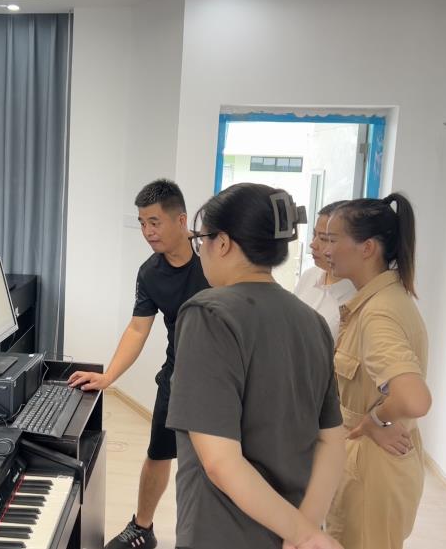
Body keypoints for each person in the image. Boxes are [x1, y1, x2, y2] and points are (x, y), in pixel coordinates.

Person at [166, 183, 346, 549]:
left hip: (222, 534)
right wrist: (304, 529)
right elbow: (332, 440)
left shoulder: (210, 315)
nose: (201, 252)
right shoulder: (311, 322)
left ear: (223, 243)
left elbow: (219, 461)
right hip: (288, 530)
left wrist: (303, 534)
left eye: (201, 240)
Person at [68, 179, 209, 549]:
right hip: (178, 375)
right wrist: (109, 376)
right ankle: (142, 528)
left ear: (181, 221)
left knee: (213, 464)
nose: (148, 232)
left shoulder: (214, 255)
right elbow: (137, 328)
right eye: (143, 223)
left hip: (222, 378)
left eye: (155, 222)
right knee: (158, 454)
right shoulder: (150, 272)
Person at [323, 194, 431, 549]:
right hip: (372, 465)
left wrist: (374, 421)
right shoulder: (383, 300)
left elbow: (413, 399)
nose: (325, 249)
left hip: (371, 472)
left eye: (332, 239)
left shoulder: (378, 313)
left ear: (367, 248)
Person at [294, 201, 356, 340]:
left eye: (324, 238)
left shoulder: (357, 294)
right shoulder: (310, 275)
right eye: (314, 235)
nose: (313, 244)